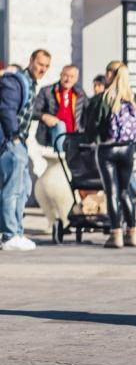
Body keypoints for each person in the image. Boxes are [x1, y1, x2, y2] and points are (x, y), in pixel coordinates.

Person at [85, 63, 136, 248]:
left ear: (110, 74)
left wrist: (89, 140)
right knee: (126, 192)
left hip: (107, 149)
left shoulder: (103, 99)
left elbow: (92, 126)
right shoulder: (133, 99)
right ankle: (132, 233)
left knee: (112, 192)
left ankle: (115, 234)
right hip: (128, 149)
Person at [0, 49, 51, 251]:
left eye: (46, 66)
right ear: (31, 61)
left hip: (20, 142)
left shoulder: (30, 84)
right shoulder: (15, 81)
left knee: (24, 188)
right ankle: (10, 235)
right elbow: (6, 109)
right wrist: (13, 136)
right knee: (13, 189)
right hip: (11, 142)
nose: (42, 69)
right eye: (40, 64)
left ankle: (16, 232)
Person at [34, 64, 88, 152]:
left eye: (72, 76)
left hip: (74, 137)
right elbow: (33, 111)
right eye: (66, 75)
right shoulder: (47, 91)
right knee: (60, 125)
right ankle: (61, 155)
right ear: (61, 75)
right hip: (52, 134)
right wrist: (44, 116)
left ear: (76, 78)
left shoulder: (80, 93)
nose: (68, 79)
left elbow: (89, 110)